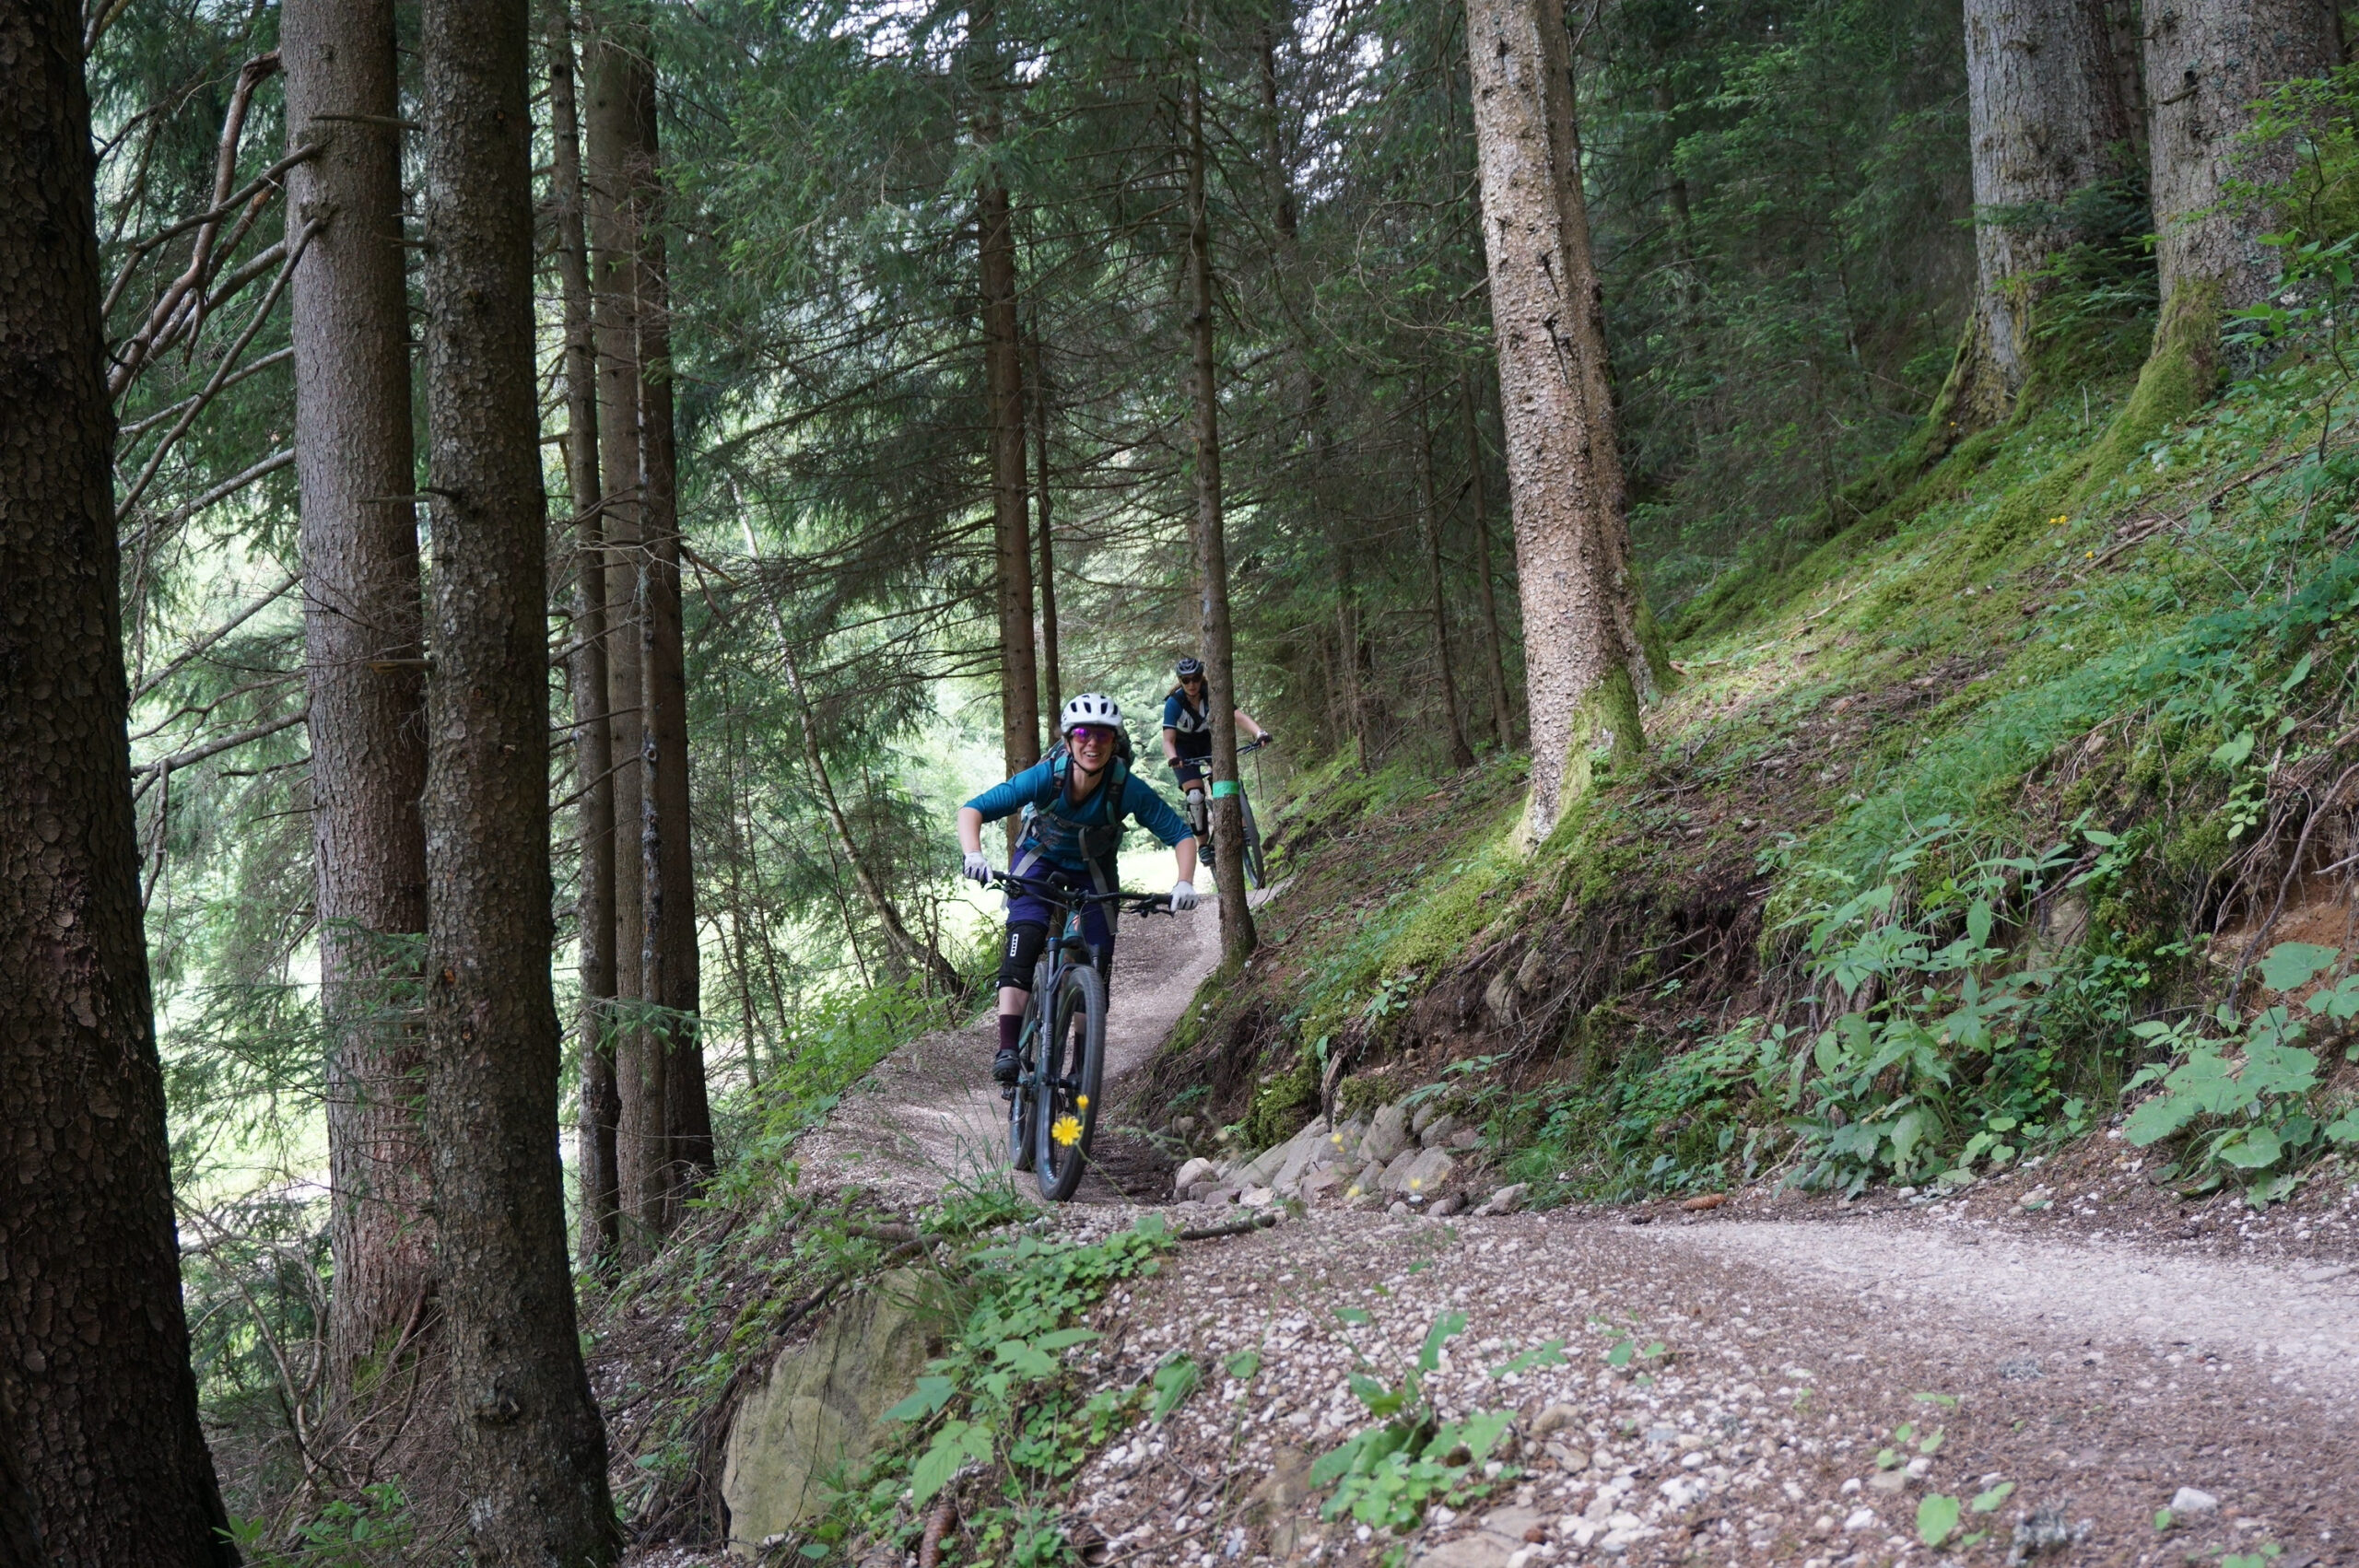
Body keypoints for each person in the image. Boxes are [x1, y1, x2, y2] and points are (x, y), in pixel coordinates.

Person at [958, 693, 1200, 1086]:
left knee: (1096, 965)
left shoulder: (1126, 787)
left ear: (1114, 742)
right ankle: (1007, 1050)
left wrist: (1184, 881)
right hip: (1040, 859)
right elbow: (973, 809)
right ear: (1069, 740)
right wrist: (974, 854)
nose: (1093, 744)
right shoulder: (1045, 777)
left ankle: (1081, 1069)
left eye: (1103, 735)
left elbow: (1181, 835)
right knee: (1025, 939)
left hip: (1094, 870)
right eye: (1083, 734)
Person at [1160, 656, 1272, 837]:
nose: (1191, 684)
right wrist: (1173, 757)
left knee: (1226, 780)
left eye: (1195, 678)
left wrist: (1260, 733)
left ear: (1201, 677)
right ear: (1180, 681)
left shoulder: (1212, 694)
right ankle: (1203, 844)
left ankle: (1244, 826)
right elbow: (1168, 740)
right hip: (1182, 748)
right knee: (1195, 796)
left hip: (1208, 741)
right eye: (1186, 680)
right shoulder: (1174, 703)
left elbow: (1238, 716)